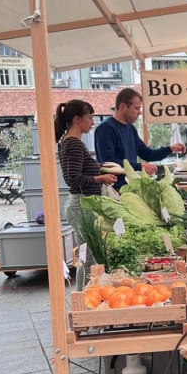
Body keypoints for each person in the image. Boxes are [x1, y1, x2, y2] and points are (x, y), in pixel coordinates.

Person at [55, 100, 118, 290]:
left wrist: (100, 170)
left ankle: (85, 296)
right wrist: (100, 178)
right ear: (77, 119)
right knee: (89, 257)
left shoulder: (69, 142)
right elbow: (73, 179)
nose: (92, 122)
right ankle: (83, 298)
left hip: (83, 205)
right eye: (90, 118)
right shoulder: (73, 144)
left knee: (89, 255)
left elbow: (79, 171)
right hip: (82, 206)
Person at [95, 88, 185, 189]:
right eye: (136, 108)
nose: (139, 113)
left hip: (129, 186)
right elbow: (108, 162)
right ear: (123, 106)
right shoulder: (106, 128)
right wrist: (140, 166)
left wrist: (170, 149)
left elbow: (147, 154)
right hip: (112, 188)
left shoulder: (130, 128)